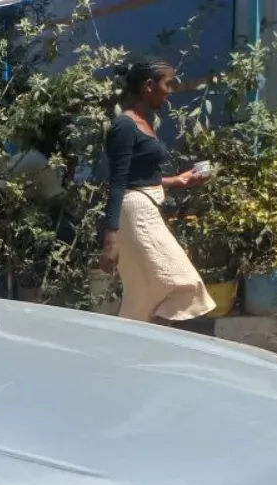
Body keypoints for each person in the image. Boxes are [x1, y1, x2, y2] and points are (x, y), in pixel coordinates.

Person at [99, 58, 215, 323]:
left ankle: (125, 353)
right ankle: (159, 345)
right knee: (183, 284)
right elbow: (118, 183)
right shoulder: (125, 126)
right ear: (148, 86)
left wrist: (178, 181)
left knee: (141, 298)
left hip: (142, 203)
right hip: (135, 212)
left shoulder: (142, 121)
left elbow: (137, 177)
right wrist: (110, 240)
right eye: (168, 84)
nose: (171, 90)